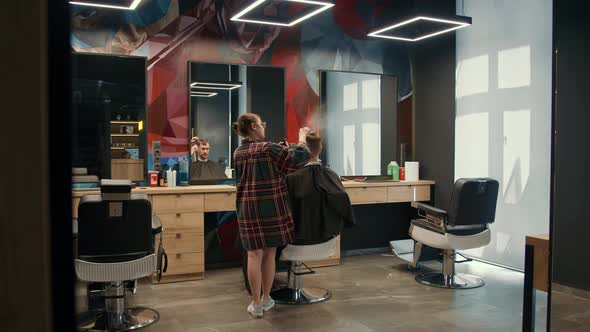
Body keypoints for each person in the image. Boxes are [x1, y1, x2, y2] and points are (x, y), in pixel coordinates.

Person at [232, 113, 311, 318]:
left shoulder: (238, 152)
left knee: (253, 254)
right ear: (254, 127)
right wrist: (301, 139)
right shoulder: (268, 148)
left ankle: (257, 303)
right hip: (271, 208)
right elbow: (297, 159)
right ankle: (267, 296)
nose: (263, 127)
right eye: (262, 123)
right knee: (269, 253)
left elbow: (267, 161)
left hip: (248, 208)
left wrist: (281, 149)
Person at [286, 132, 356, 246]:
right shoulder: (332, 175)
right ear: (321, 148)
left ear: (305, 149)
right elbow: (343, 201)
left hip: (298, 240)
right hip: (326, 238)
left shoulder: (291, 179)